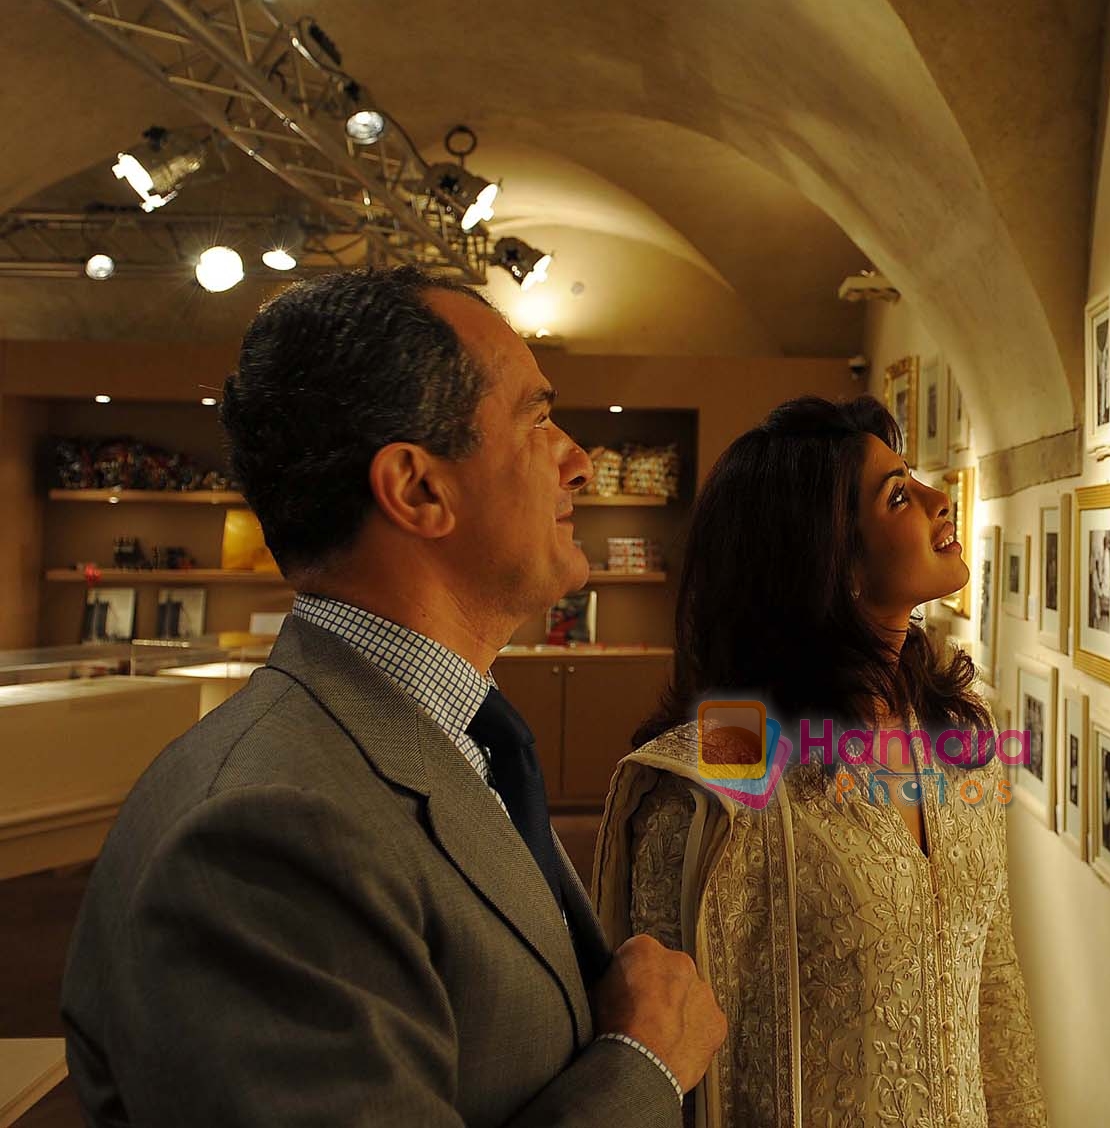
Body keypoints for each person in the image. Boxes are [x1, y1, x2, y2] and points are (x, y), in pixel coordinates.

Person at [61, 267, 725, 1126]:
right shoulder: (269, 833)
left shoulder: (438, 744)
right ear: (418, 489)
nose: (579, 462)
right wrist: (640, 1068)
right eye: (536, 418)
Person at [592, 396, 1047, 1126]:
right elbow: (672, 1069)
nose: (939, 499)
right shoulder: (717, 780)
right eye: (899, 494)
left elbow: (992, 988)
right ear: (833, 564)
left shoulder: (956, 740)